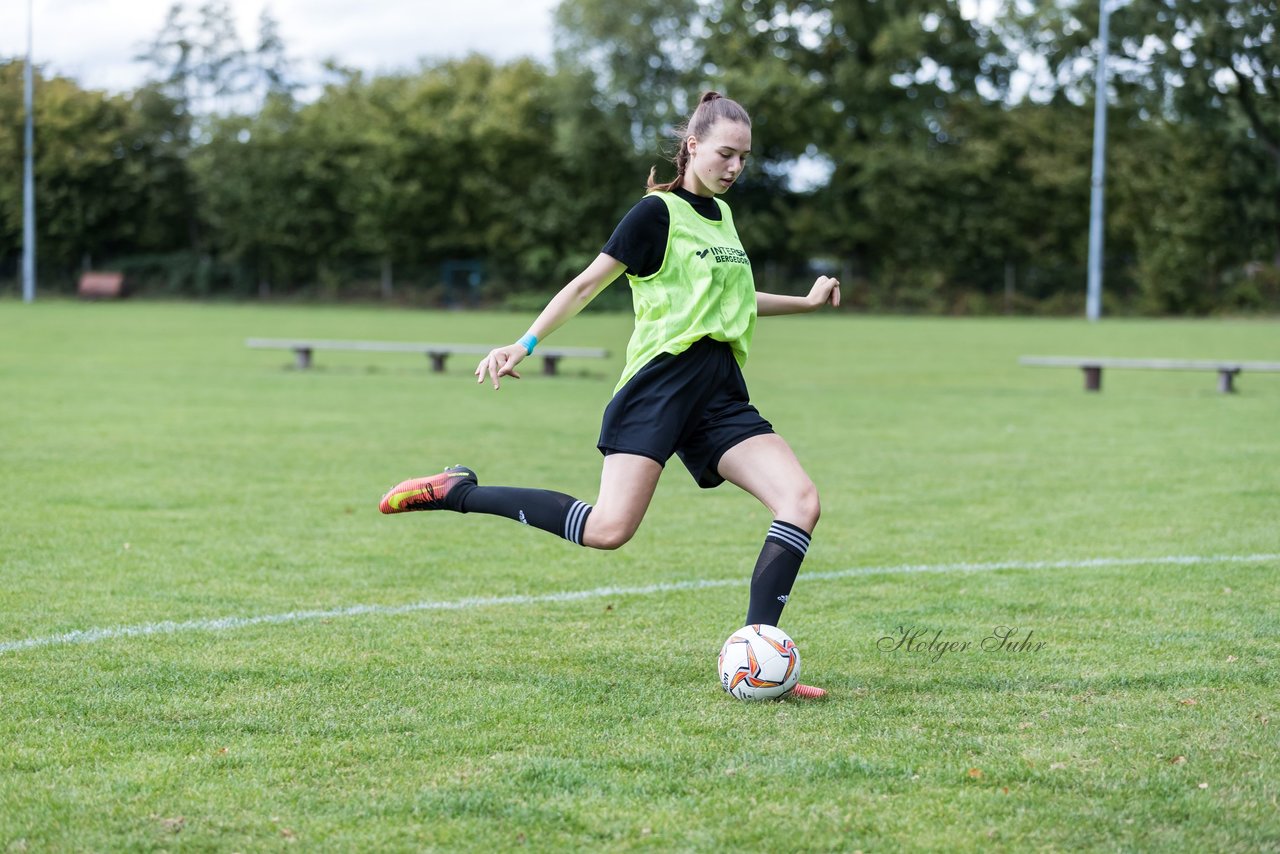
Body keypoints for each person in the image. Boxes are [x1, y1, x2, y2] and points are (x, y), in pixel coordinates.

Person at [380, 91, 840, 698]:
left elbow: (732, 304)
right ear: (692, 146)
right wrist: (524, 344)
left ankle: (761, 655)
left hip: (720, 391)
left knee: (799, 501)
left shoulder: (723, 219)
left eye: (744, 158)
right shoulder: (655, 214)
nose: (735, 167)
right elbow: (585, 285)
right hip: (659, 388)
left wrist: (803, 303)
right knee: (607, 530)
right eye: (726, 154)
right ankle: (458, 491)